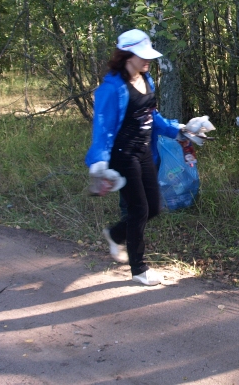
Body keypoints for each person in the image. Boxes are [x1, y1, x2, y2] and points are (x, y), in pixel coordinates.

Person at [85, 29, 185, 286]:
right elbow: (103, 127)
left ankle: (114, 233)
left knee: (154, 207)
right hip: (122, 155)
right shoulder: (112, 88)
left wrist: (180, 130)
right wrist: (98, 162)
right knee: (139, 209)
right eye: (142, 56)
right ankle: (139, 268)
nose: (147, 60)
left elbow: (152, 116)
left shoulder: (146, 77)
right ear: (127, 55)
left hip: (143, 152)